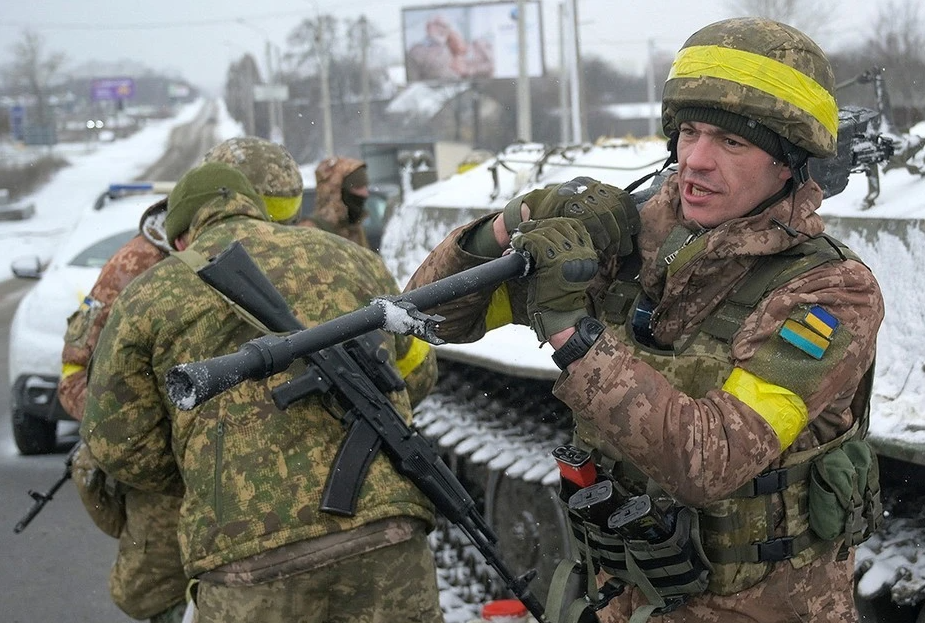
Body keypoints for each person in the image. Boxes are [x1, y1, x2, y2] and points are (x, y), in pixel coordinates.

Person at [404, 17, 883, 623]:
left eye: (732, 143)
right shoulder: (629, 242)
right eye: (689, 133)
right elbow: (431, 316)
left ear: (788, 163)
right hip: (621, 599)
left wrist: (570, 332)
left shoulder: (830, 291)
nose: (697, 162)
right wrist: (516, 218)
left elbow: (710, 461)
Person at [80, 161, 442, 623]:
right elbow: (416, 375)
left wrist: (210, 469)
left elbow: (116, 441)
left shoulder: (146, 296)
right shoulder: (354, 259)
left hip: (246, 560)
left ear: (181, 238)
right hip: (385, 534)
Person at [59, 135, 305, 623]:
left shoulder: (284, 252)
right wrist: (166, 447)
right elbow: (75, 377)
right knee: (161, 594)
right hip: (168, 476)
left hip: (259, 470)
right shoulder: (138, 266)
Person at [299, 156, 372, 248]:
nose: (365, 193)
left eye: (365, 187)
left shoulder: (355, 229)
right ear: (337, 193)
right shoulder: (310, 231)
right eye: (358, 188)